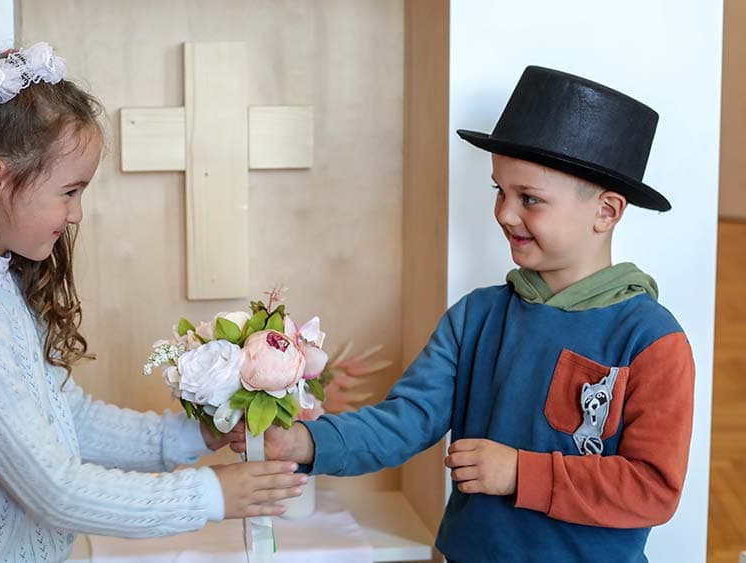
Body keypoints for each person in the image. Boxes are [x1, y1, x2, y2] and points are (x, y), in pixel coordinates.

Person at [0, 42, 305, 563]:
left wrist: (193, 437)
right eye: (69, 191)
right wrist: (212, 496)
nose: (77, 214)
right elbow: (54, 490)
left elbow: (67, 417)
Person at [248, 66, 695, 562]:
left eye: (530, 199)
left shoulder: (652, 339)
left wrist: (520, 473)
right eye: (499, 191)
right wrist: (303, 443)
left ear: (606, 212)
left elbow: (652, 487)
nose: (505, 213)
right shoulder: (476, 317)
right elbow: (407, 420)